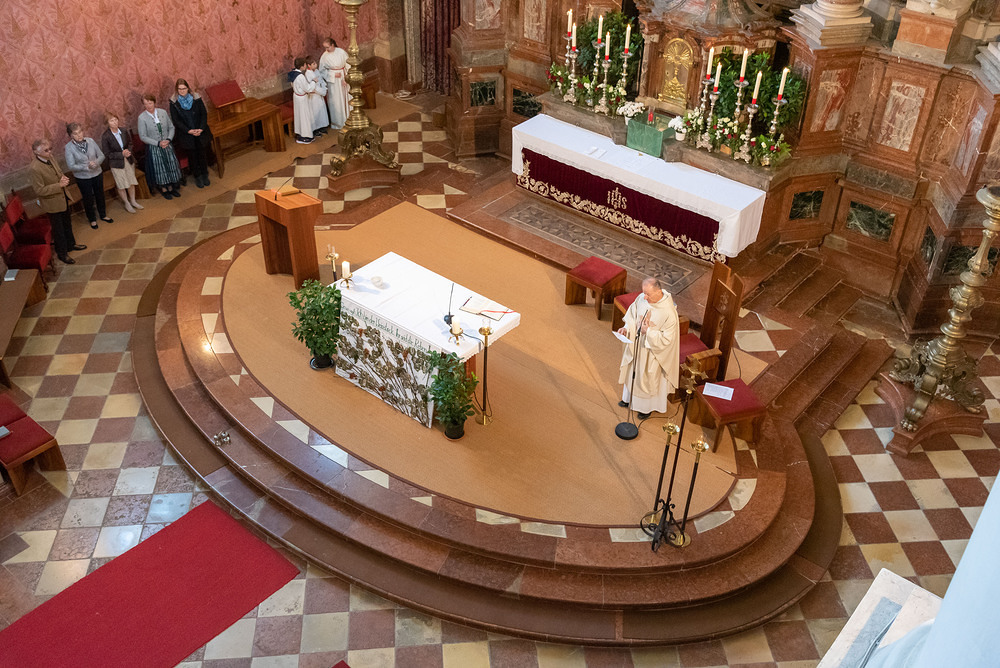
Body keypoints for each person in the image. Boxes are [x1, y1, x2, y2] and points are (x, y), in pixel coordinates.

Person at [617, 277, 680, 419]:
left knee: (647, 377)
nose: (644, 297)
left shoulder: (669, 312)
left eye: (648, 294)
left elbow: (667, 339)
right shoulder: (641, 298)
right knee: (633, 371)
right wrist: (626, 328)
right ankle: (628, 399)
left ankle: (646, 408)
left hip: (653, 351)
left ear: (659, 292)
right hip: (637, 345)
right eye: (643, 292)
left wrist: (649, 332)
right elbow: (632, 316)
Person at [27, 139, 87, 264]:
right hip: (52, 203)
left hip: (63, 197)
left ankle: (71, 245)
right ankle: (62, 253)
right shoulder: (34, 168)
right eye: (46, 150)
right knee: (58, 230)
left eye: (50, 149)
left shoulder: (50, 158)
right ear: (36, 152)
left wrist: (62, 178)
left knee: (67, 224)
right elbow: (39, 190)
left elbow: (58, 172)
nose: (50, 152)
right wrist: (58, 185)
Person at [64, 122, 113, 230]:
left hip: (97, 173)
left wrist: (96, 163)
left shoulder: (90, 141)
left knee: (100, 195)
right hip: (83, 178)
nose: (79, 135)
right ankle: (92, 219)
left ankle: (103, 215)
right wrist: (86, 167)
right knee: (88, 199)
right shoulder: (69, 147)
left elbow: (101, 155)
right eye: (75, 133)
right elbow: (71, 166)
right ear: (71, 135)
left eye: (80, 132)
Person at [169, 78, 214, 188]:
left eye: (184, 88)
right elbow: (176, 120)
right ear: (177, 89)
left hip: (200, 132)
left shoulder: (196, 97)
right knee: (192, 157)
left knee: (202, 154)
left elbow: (203, 114)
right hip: (187, 134)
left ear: (188, 88)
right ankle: (197, 176)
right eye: (179, 89)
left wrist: (201, 128)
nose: (182, 91)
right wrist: (188, 131)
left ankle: (205, 175)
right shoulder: (174, 102)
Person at [137, 93, 182, 199]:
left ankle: (172, 187)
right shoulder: (142, 118)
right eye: (145, 104)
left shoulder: (162, 112)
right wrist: (158, 143)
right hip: (155, 147)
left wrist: (168, 139)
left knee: (171, 165)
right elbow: (143, 136)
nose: (148, 105)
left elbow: (171, 127)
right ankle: (164, 189)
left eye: (150, 103)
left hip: (167, 144)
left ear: (154, 102)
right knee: (160, 168)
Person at [99, 112, 144, 214]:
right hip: (116, 164)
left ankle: (133, 201)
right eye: (111, 121)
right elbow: (107, 153)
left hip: (128, 160)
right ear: (107, 123)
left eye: (116, 119)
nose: (115, 122)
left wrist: (128, 151)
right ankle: (127, 203)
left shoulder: (123, 130)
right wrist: (121, 154)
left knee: (131, 181)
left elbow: (130, 143)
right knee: (121, 184)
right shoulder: (106, 136)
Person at [319, 38, 350, 130]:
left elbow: (348, 65)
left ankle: (349, 118)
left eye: (327, 47)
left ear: (332, 45)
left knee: (346, 98)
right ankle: (339, 122)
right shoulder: (324, 56)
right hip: (333, 82)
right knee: (336, 101)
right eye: (325, 47)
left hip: (343, 77)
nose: (326, 49)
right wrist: (332, 75)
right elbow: (322, 71)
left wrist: (346, 78)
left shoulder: (341, 52)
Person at [291, 57, 316, 144]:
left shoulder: (293, 73)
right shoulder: (300, 77)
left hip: (297, 97)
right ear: (302, 66)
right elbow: (308, 88)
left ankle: (300, 133)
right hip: (302, 99)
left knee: (299, 116)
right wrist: (313, 82)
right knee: (304, 117)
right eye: (305, 64)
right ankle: (306, 136)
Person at [305, 57, 329, 136]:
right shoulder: (308, 74)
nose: (316, 65)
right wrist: (321, 92)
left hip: (320, 94)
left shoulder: (316, 71)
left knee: (321, 111)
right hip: (314, 96)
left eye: (315, 63)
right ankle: (315, 129)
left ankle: (321, 127)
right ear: (309, 65)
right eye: (314, 64)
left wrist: (324, 88)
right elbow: (313, 86)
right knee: (315, 112)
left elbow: (321, 80)